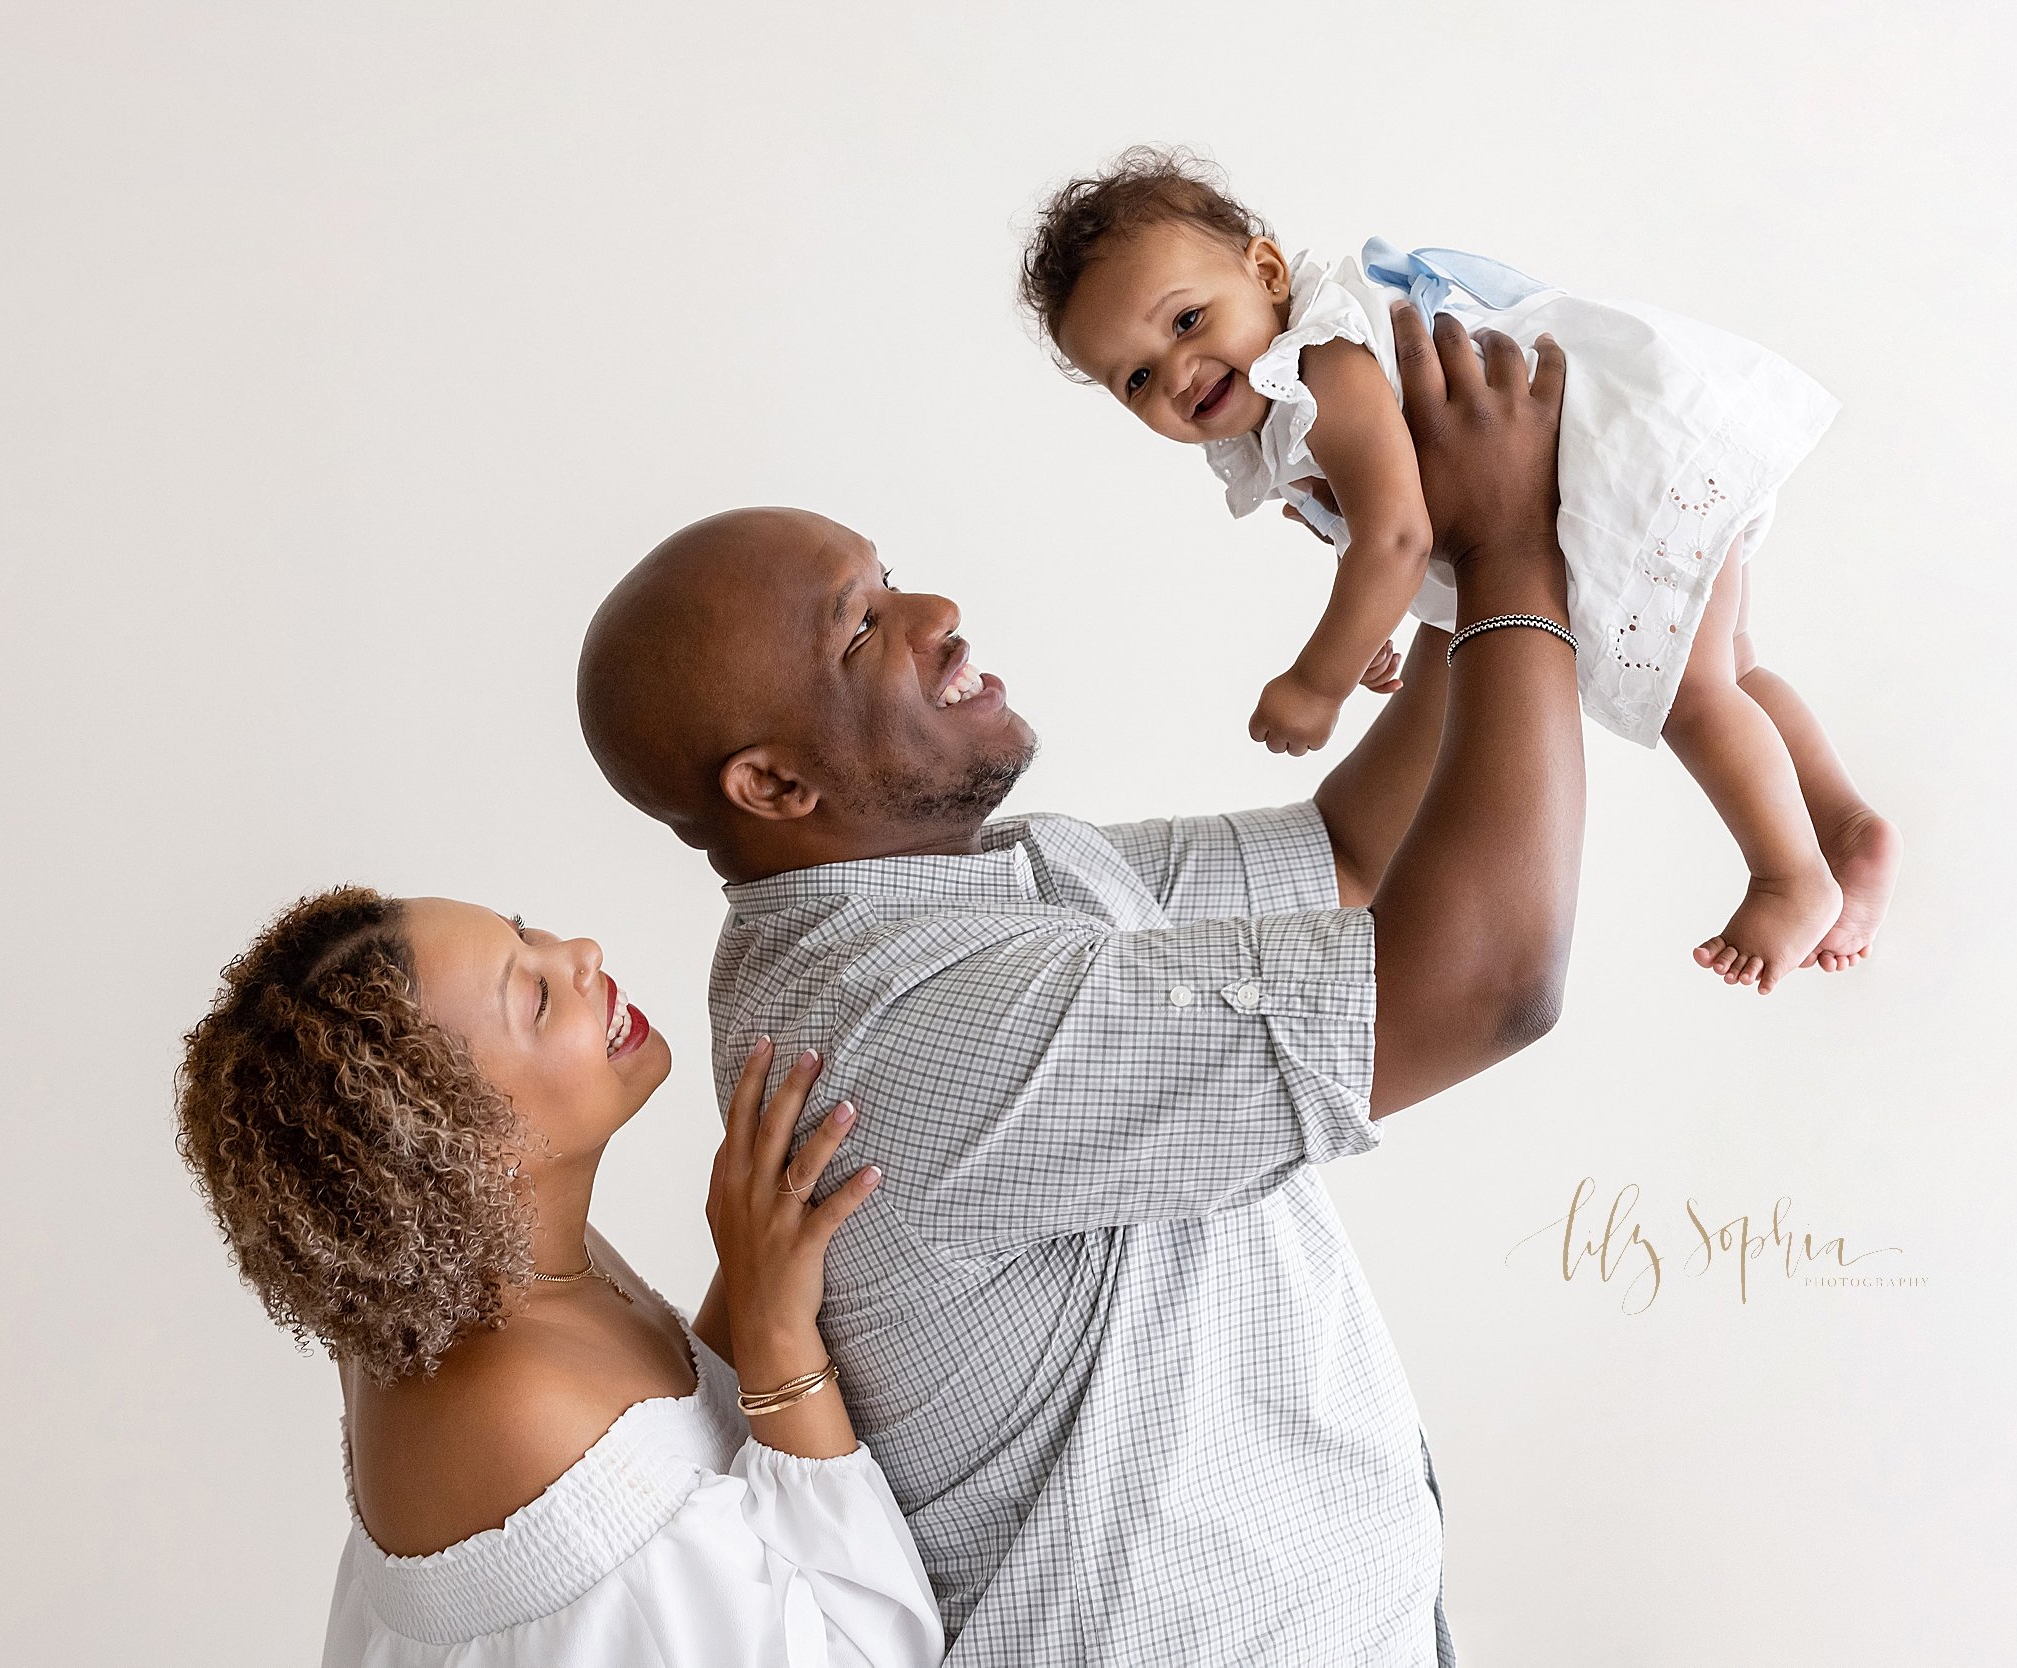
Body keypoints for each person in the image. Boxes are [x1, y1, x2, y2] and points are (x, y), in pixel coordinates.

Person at [576, 305, 1581, 1666]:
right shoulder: (912, 1030)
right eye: (863, 628)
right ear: (774, 787)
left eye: (897, 579)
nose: (935, 614)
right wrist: (1522, 558)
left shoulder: (992, 879)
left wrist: (1450, 574)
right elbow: (1486, 984)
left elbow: (1349, 858)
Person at [1021, 146, 1900, 992]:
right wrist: (1363, 627)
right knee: (1732, 672)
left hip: (1613, 480)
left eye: (1187, 321)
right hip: (1642, 465)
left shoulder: (1321, 364)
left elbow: (1398, 538)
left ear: (1266, 272)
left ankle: (1791, 877)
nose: (1178, 370)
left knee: (1694, 696)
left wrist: (1319, 680)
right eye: (1136, 378)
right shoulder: (1280, 424)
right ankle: (1844, 828)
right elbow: (1380, 535)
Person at [173, 888, 944, 1666]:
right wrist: (778, 1338)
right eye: (535, 998)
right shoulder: (524, 1418)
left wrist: (751, 1268)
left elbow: (677, 1448)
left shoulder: (482, 1272)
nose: (581, 953)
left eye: (522, 930)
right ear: (456, 1141)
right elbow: (870, 1653)